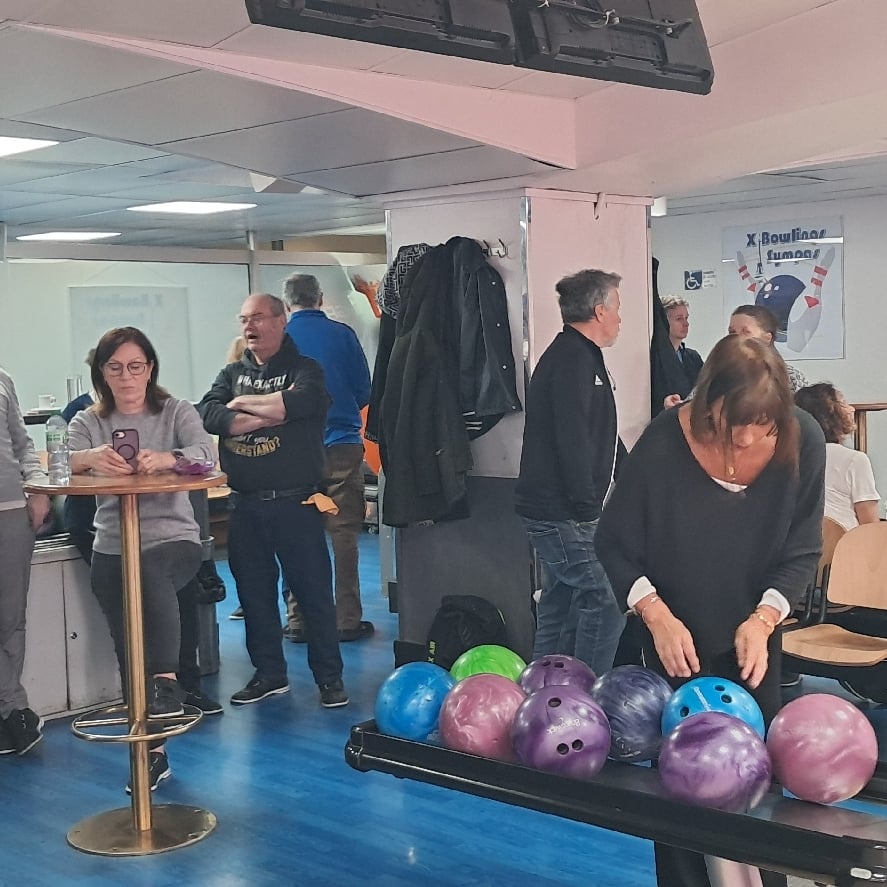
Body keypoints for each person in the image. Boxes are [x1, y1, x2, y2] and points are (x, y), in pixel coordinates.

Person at [596, 335, 825, 887]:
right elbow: (613, 542)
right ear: (706, 403)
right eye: (730, 423)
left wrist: (764, 618)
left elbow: (802, 551)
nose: (745, 437)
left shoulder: (804, 440)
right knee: (679, 794)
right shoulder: (661, 443)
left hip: (751, 654)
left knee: (753, 790)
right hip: (674, 650)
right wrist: (654, 612)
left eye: (762, 425)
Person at [68, 327, 217, 790]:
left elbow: (206, 452)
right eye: (116, 367)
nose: (127, 376)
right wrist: (90, 458)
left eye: (136, 366)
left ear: (150, 369)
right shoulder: (87, 421)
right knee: (128, 652)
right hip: (111, 544)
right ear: (102, 373)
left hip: (173, 540)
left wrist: (169, 458)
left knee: (147, 568)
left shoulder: (176, 411)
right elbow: (57, 457)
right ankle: (152, 753)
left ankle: (168, 682)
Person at [197, 293, 348, 708]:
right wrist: (272, 412)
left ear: (282, 321)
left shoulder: (306, 370)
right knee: (254, 595)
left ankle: (329, 679)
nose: (250, 326)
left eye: (259, 317)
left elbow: (305, 403)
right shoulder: (230, 373)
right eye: (244, 318)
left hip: (297, 503)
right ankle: (269, 674)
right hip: (246, 504)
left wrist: (243, 407)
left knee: (314, 594)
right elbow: (208, 414)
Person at [515, 269, 627, 677]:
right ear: (600, 311)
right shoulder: (570, 360)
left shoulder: (583, 356)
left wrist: (628, 475)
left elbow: (601, 432)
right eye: (617, 308)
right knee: (607, 597)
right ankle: (584, 694)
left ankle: (543, 687)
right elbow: (572, 438)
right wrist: (586, 508)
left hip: (566, 509)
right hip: (559, 511)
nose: (620, 318)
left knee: (560, 602)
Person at [282, 273, 373, 643]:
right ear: (319, 299)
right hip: (340, 445)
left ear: (287, 304)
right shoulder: (343, 335)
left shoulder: (278, 342)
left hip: (290, 450)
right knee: (344, 533)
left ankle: (297, 619)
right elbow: (364, 391)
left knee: (295, 534)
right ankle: (346, 619)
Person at [0, 368, 51, 756]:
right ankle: (13, 708)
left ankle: (11, 712)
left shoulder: (3, 378)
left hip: (11, 512)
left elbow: (22, 444)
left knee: (10, 618)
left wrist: (37, 489)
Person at [795, 383, 880, 530]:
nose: (852, 409)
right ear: (830, 414)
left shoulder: (789, 457)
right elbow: (870, 526)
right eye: (844, 403)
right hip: (847, 547)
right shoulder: (854, 460)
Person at [659, 295, 703, 408]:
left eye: (686, 318)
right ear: (663, 322)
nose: (686, 324)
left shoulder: (693, 357)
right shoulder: (655, 360)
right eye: (679, 319)